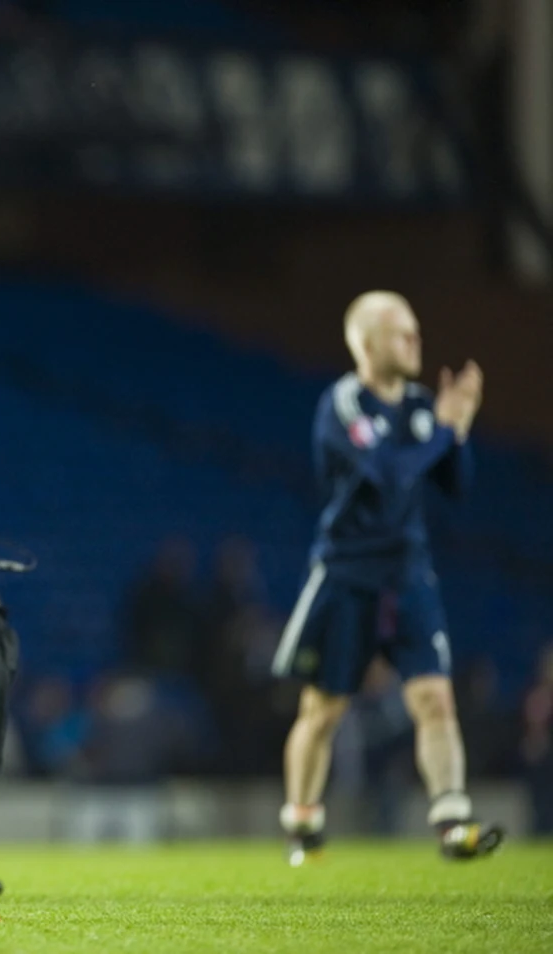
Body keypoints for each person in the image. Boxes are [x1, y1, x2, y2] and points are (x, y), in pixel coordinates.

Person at [271, 290, 503, 864]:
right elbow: (389, 477)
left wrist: (460, 430)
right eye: (402, 333)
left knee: (434, 698)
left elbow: (455, 485)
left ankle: (452, 819)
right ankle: (303, 824)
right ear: (365, 343)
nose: (414, 342)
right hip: (348, 573)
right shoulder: (344, 404)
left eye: (415, 331)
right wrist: (444, 433)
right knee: (323, 709)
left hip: (407, 574)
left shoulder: (425, 406)